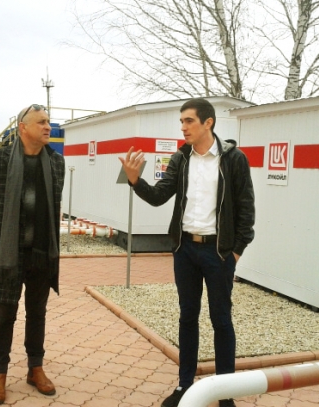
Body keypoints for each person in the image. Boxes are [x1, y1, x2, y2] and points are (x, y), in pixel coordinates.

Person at [119, 98, 255, 407]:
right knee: (187, 317)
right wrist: (134, 180)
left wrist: (236, 252)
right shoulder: (181, 158)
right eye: (181, 122)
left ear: (208, 123)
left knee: (221, 320)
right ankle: (184, 386)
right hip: (186, 251)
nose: (183, 127)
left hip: (219, 253)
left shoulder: (234, 159)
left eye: (189, 121)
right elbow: (158, 196)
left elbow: (246, 210)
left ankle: (225, 393)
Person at [0, 104, 65, 405]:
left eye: (49, 121)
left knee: (37, 314)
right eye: (41, 122)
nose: (48, 127)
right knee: (4, 315)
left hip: (42, 253)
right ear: (23, 127)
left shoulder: (56, 162)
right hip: (8, 253)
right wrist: (4, 228)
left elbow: (53, 205)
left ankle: (35, 368)